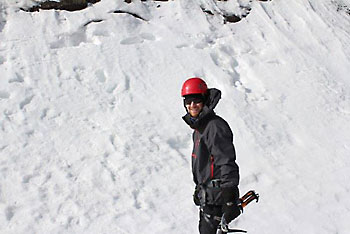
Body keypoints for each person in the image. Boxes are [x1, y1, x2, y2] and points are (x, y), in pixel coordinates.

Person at [181, 77, 242, 234]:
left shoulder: (214, 126)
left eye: (196, 100)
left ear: (204, 100)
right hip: (208, 199)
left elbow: (226, 160)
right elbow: (207, 164)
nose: (192, 105)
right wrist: (199, 187)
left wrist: (229, 194)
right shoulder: (199, 128)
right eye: (188, 101)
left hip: (219, 198)